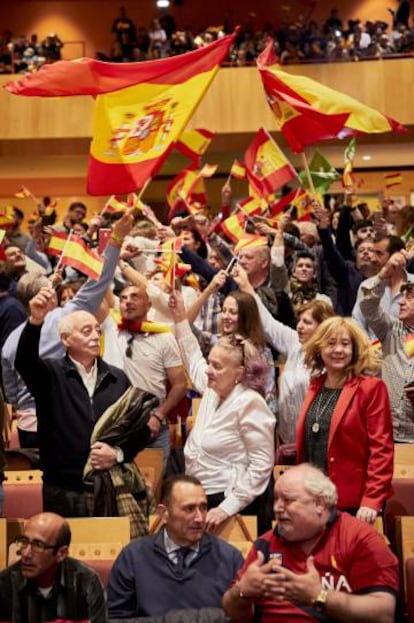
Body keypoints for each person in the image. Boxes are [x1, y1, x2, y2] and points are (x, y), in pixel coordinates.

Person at [14, 290, 150, 518]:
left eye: (97, 330)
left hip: (108, 487)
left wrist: (117, 453)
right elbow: (24, 361)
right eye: (86, 331)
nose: (96, 336)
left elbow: (141, 431)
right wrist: (35, 321)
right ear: (66, 339)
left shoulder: (117, 378)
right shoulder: (50, 374)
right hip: (63, 491)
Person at [222, 464, 398, 623]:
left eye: (288, 500)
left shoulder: (359, 537)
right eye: (275, 499)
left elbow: (383, 614)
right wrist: (242, 592)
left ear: (320, 504)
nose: (276, 508)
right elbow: (232, 613)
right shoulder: (265, 546)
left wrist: (320, 597)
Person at [169, 290, 275, 533]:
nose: (208, 370)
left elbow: (261, 465)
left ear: (239, 373)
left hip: (232, 506)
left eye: (216, 366)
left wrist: (228, 507)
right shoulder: (212, 388)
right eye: (211, 363)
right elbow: (194, 358)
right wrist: (179, 317)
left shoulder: (251, 403)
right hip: (203, 498)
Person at [297, 316, 394, 522]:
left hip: (354, 503)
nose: (338, 350)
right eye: (331, 343)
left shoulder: (371, 388)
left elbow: (382, 450)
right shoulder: (315, 385)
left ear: (355, 349)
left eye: (345, 344)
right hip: (314, 498)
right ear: (319, 348)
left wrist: (372, 500)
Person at [107, 474, 243, 619]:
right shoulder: (132, 558)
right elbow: (116, 618)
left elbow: (244, 617)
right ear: (164, 513)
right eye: (189, 509)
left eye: (203, 508)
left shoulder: (230, 558)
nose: (199, 518)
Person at [233, 263, 334, 444]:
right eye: (300, 321)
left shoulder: (331, 359)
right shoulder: (295, 342)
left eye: (307, 322)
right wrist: (246, 286)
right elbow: (269, 324)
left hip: (317, 441)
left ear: (323, 326)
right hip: (287, 438)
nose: (300, 326)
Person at [0, 512, 106, 622]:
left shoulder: (85, 581)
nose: (26, 554)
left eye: (38, 545)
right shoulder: (5, 583)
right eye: (24, 541)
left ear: (61, 553)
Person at [359, 250, 414, 441]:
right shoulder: (390, 329)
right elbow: (367, 305)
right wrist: (384, 273)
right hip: (386, 434)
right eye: (402, 296)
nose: (401, 302)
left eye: (409, 297)